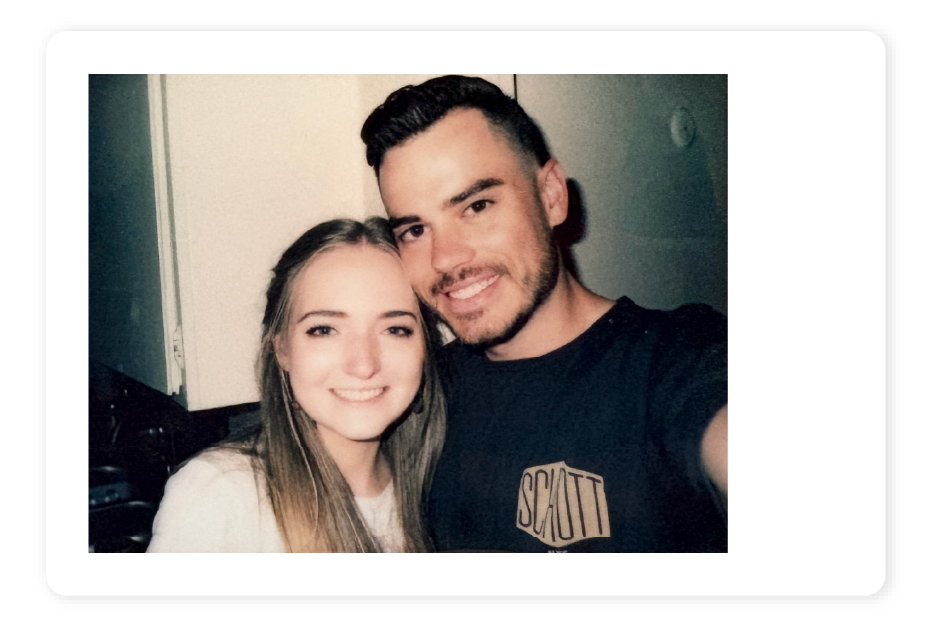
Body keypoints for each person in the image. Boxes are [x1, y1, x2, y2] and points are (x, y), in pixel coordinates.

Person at [361, 75, 728, 552]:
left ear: (552, 195)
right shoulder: (413, 391)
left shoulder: (677, 358)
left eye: (476, 205)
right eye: (414, 230)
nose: (445, 258)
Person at [147, 218, 446, 552]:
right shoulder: (220, 496)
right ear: (282, 349)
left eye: (395, 329)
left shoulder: (438, 488)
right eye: (324, 330)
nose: (364, 365)